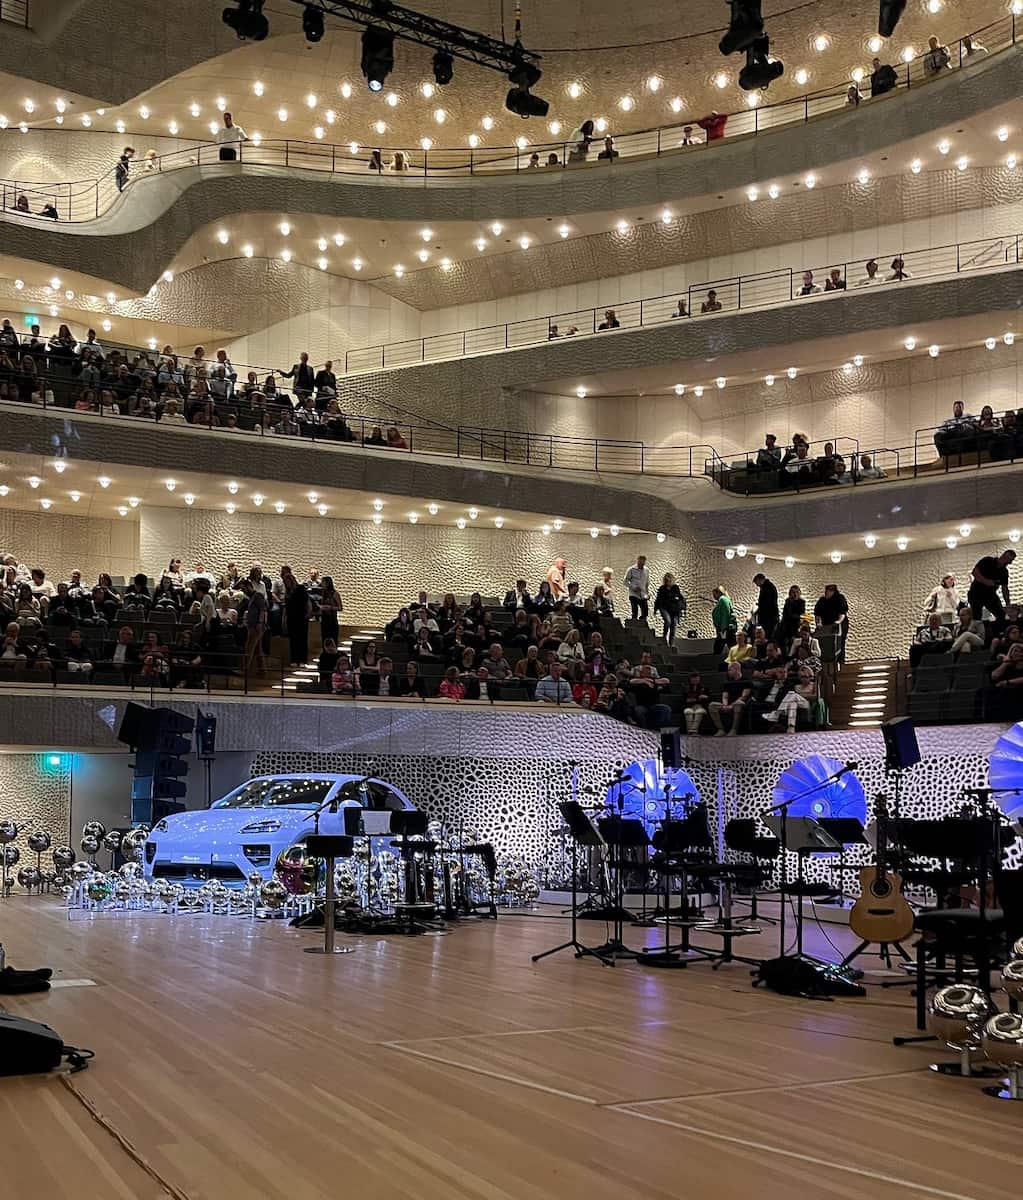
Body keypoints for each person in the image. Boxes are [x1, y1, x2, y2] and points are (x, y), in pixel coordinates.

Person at [968, 549, 1016, 630]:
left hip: (990, 594)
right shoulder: (987, 561)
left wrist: (1008, 603)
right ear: (1003, 555)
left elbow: (1004, 588)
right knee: (976, 617)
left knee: (1001, 614)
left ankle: (997, 632)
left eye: (1010, 560)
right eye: (1007, 558)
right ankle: (977, 633)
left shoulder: (1004, 572)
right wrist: (987, 582)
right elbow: (975, 572)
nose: (1007, 561)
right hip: (976, 592)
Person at [763, 666, 818, 733]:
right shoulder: (797, 686)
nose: (805, 679)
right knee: (792, 704)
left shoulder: (813, 685)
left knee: (792, 694)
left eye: (806, 677)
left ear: (810, 676)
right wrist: (798, 696)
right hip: (797, 704)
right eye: (802, 677)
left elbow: (815, 696)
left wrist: (800, 695)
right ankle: (791, 726)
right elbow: (792, 698)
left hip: (807, 704)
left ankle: (777, 714)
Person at [708, 662, 751, 736]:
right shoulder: (727, 682)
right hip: (728, 705)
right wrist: (725, 705)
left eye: (730, 670)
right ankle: (721, 729)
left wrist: (732, 705)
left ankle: (733, 730)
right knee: (712, 705)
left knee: (738, 704)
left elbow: (743, 697)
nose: (728, 672)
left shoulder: (746, 681)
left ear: (737, 669)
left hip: (739, 704)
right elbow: (725, 697)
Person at [814, 583, 850, 662]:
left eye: (827, 592)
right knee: (825, 643)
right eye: (825, 592)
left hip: (839, 625)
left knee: (840, 643)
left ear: (833, 592)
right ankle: (826, 660)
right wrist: (818, 623)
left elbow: (842, 613)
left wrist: (838, 621)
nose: (825, 593)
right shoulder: (822, 600)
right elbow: (817, 614)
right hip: (826, 625)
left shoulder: (840, 598)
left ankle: (840, 661)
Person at [654, 573, 685, 644]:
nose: (668, 582)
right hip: (665, 607)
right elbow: (659, 599)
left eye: (669, 580)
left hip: (674, 609)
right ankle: (664, 637)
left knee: (673, 625)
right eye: (666, 580)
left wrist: (677, 601)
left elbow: (679, 597)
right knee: (668, 621)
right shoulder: (662, 588)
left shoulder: (675, 588)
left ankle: (671, 643)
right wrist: (655, 609)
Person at [624, 554, 649, 622]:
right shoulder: (631, 569)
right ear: (637, 561)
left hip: (643, 594)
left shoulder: (646, 570)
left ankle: (642, 625)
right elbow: (625, 581)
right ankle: (633, 624)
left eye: (643, 563)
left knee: (645, 612)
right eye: (640, 562)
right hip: (633, 594)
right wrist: (633, 587)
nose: (641, 564)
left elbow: (647, 583)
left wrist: (647, 593)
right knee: (635, 612)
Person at [711, 586, 735, 654]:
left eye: (714, 594)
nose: (713, 596)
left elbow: (725, 614)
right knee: (730, 646)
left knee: (718, 648)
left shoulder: (723, 600)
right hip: (725, 629)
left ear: (718, 593)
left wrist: (723, 628)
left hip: (724, 629)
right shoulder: (723, 600)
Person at [319, 576, 342, 644]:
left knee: (332, 640)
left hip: (332, 620)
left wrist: (330, 607)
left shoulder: (335, 594)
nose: (322, 584)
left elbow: (340, 607)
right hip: (324, 620)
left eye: (323, 582)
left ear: (328, 583)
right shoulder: (323, 594)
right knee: (325, 639)